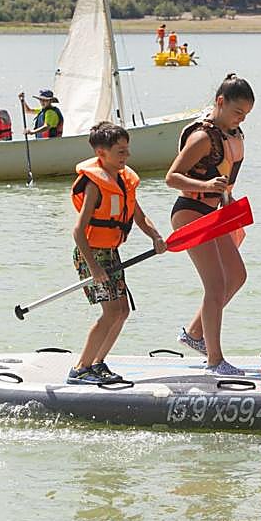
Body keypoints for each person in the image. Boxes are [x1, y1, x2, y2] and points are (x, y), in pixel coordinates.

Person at [164, 74, 254, 376]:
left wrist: (226, 199)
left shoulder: (232, 136)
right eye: (237, 112)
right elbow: (172, 177)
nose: (240, 119)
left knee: (237, 276)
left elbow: (226, 181)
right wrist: (206, 184)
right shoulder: (202, 137)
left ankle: (194, 334)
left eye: (245, 115)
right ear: (220, 102)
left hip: (214, 213)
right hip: (189, 211)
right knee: (215, 285)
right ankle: (215, 361)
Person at [67, 121, 168, 384]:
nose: (127, 156)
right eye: (121, 151)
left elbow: (140, 217)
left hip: (110, 252)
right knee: (111, 312)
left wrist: (156, 237)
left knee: (122, 311)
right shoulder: (94, 184)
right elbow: (78, 232)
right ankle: (80, 368)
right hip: (91, 255)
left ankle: (97, 363)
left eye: (127, 150)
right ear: (102, 153)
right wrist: (94, 267)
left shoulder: (123, 181)